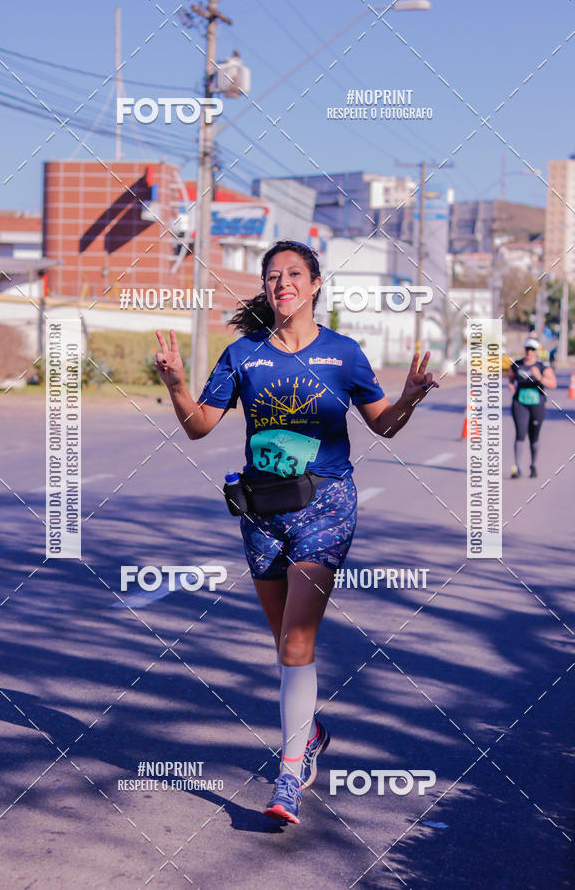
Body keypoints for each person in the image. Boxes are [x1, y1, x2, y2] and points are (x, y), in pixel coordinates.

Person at [153, 239, 438, 824]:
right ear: (267, 289)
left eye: (294, 274)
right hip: (262, 511)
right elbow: (199, 428)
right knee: (285, 647)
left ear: (313, 286)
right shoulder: (243, 354)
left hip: (326, 506)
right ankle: (307, 736)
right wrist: (178, 383)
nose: (283, 282)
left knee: (296, 640)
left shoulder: (343, 354)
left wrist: (407, 398)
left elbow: (383, 426)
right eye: (273, 275)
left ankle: (287, 776)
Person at [508, 337, 556, 478]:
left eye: (532, 349)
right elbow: (511, 377)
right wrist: (511, 384)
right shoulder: (517, 364)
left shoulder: (542, 366)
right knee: (520, 434)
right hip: (520, 403)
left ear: (536, 351)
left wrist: (539, 377)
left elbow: (553, 383)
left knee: (534, 438)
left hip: (537, 404)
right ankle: (517, 468)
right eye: (527, 349)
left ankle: (533, 465)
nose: (529, 352)